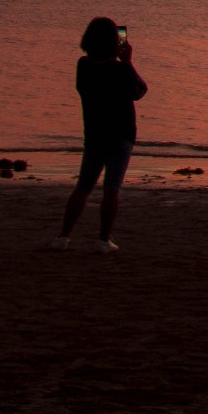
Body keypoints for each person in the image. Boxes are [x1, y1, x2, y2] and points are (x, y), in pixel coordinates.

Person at [51, 18, 146, 254]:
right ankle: (103, 240)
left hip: (95, 134)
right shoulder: (120, 69)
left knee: (83, 186)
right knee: (111, 189)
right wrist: (128, 62)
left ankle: (64, 236)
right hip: (120, 134)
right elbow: (140, 91)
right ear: (115, 43)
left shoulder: (83, 66)